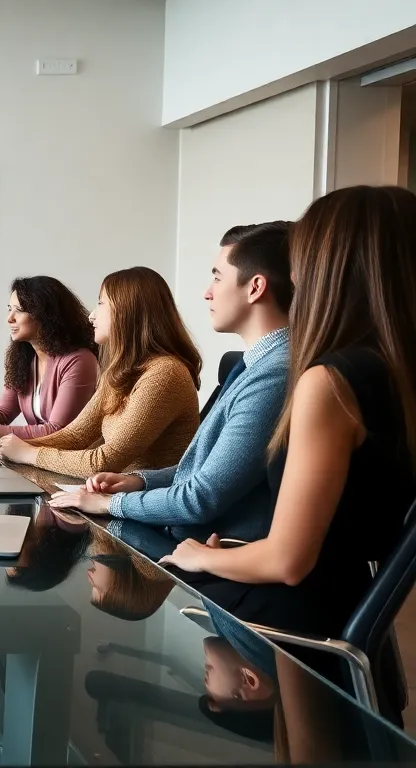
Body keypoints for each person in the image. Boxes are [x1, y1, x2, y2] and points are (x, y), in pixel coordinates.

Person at [160, 186, 416, 649]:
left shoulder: (331, 382)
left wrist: (203, 557)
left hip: (296, 622)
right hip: (345, 603)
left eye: (303, 254)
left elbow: (287, 560)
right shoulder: (393, 372)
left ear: (332, 266)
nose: (293, 272)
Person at [50, 222, 293, 543]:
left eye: (217, 277)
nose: (207, 291)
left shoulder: (274, 372)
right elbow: (203, 470)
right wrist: (140, 482)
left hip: (217, 549)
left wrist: (111, 503)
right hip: (191, 536)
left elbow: (201, 497)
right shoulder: (253, 363)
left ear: (255, 287)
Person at [0, 267, 201, 477]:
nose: (91, 316)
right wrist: (12, 448)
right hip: (115, 496)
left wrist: (29, 454)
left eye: (100, 303)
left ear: (127, 311)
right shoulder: (122, 371)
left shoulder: (164, 374)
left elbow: (103, 462)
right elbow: (76, 435)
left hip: (145, 504)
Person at [0, 276, 99, 439]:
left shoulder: (79, 360)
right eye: (9, 309)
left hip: (66, 461)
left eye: (19, 310)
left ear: (46, 315)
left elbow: (57, 431)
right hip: (36, 456)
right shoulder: (25, 357)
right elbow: (2, 412)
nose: (9, 318)